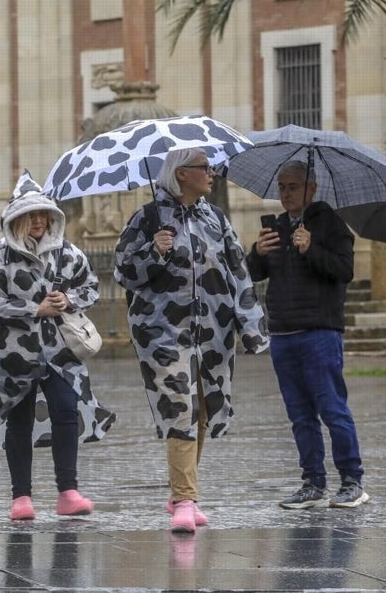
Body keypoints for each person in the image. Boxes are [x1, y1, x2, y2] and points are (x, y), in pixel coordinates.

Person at [114, 149, 269, 534]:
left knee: (202, 408)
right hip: (161, 332)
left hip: (213, 333)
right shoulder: (147, 219)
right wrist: (155, 250)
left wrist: (251, 328)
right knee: (179, 405)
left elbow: (238, 273)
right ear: (182, 174)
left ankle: (181, 491)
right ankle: (186, 499)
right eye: (204, 168)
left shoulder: (215, 218)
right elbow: (122, 271)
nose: (212, 174)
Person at [0, 173, 115, 521]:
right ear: (17, 219)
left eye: (44, 214)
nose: (39, 221)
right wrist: (32, 309)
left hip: (60, 351)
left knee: (67, 409)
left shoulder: (68, 253)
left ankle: (67, 491)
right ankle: (20, 497)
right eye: (32, 215)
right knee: (19, 418)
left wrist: (67, 299)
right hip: (13, 354)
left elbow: (92, 287)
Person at [246, 161, 369, 510]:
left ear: (312, 189)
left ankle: (352, 481)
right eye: (282, 187)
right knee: (299, 415)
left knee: (332, 408)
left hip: (319, 331)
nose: (286, 193)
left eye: (293, 187)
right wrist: (257, 253)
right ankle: (312, 483)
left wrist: (311, 248)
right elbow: (251, 273)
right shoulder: (277, 227)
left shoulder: (331, 224)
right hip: (283, 332)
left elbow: (345, 271)